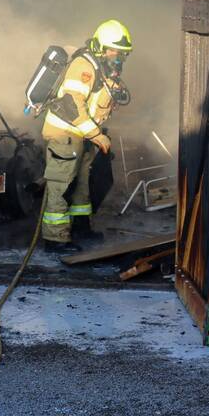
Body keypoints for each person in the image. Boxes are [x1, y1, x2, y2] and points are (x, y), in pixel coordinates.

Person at [40, 19, 133, 254]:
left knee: (82, 185)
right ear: (101, 47)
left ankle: (81, 228)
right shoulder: (83, 66)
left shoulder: (102, 69)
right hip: (65, 135)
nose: (119, 58)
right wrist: (97, 136)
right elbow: (72, 105)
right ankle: (55, 239)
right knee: (61, 186)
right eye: (115, 51)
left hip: (82, 136)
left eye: (123, 54)